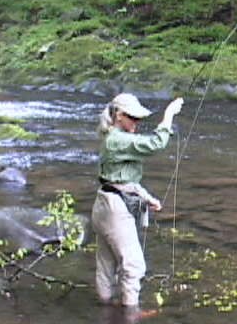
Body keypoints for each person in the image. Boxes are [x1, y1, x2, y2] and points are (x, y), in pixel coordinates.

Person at [91, 93, 183, 314]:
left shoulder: (111, 137)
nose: (137, 123)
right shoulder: (118, 140)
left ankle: (105, 310)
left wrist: (146, 197)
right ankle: (131, 315)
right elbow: (156, 143)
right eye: (133, 118)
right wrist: (169, 115)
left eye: (139, 119)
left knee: (106, 266)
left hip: (104, 204)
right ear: (119, 116)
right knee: (134, 266)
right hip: (114, 210)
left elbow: (120, 180)